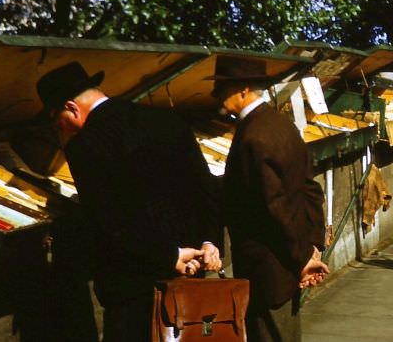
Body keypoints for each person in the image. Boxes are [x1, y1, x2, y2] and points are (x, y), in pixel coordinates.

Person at [36, 61, 222, 342]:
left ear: (72, 107)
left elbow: (110, 221)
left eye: (55, 119)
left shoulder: (84, 146)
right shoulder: (168, 121)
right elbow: (205, 187)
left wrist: (169, 256)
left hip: (132, 289)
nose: (59, 127)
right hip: (191, 273)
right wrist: (208, 241)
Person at [209, 57, 329, 342]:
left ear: (243, 90)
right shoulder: (280, 124)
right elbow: (309, 189)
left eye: (223, 88)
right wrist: (313, 246)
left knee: (271, 334)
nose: (217, 95)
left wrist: (303, 257)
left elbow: (275, 207)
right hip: (285, 264)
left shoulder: (253, 137)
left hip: (269, 268)